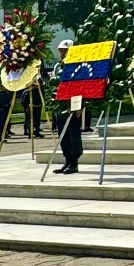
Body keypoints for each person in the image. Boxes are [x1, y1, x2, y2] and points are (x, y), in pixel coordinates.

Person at [49, 39, 83, 174]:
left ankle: (74, 162)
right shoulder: (58, 66)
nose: (62, 53)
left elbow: (80, 87)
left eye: (64, 50)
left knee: (73, 134)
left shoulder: (77, 66)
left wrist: (78, 107)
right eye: (61, 51)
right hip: (60, 103)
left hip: (72, 104)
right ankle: (68, 160)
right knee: (63, 135)